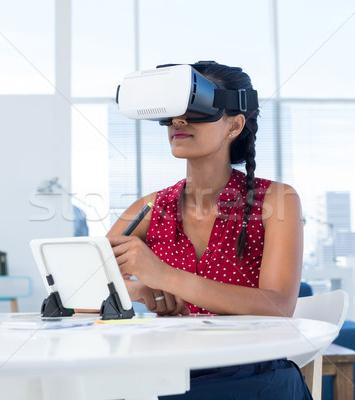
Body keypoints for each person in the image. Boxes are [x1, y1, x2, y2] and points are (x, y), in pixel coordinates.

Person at [107, 61, 311, 399]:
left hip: (254, 374)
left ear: (234, 125)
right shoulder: (150, 208)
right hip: (170, 374)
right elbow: (81, 289)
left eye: (197, 109)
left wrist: (166, 276)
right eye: (173, 112)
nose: (179, 122)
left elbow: (278, 306)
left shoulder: (277, 200)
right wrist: (139, 289)